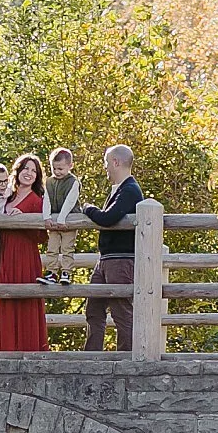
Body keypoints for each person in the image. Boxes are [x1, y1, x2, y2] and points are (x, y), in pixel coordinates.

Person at [81, 143, 143, 351]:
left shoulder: (130, 190)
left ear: (116, 162)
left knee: (121, 311)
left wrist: (88, 208)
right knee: (94, 309)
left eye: (107, 163)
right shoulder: (118, 190)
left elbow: (108, 218)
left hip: (121, 258)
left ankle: (126, 357)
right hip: (106, 259)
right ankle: (92, 356)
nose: (105, 167)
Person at [0, 151, 50, 352]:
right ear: (18, 171)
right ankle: (5, 350)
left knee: (27, 301)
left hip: (26, 256)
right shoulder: (5, 196)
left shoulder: (37, 200)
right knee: (5, 300)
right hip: (5, 255)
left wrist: (23, 219)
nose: (29, 173)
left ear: (38, 177)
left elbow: (43, 237)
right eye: (26, 168)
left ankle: (31, 349)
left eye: (34, 171)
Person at [38, 147, 83, 284]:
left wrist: (62, 219)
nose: (57, 172)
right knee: (52, 248)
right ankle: (51, 272)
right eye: (54, 169)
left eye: (61, 169)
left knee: (67, 248)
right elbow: (46, 200)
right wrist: (47, 217)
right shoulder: (49, 182)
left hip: (68, 219)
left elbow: (70, 201)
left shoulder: (73, 182)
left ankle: (66, 272)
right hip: (54, 219)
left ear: (70, 166)